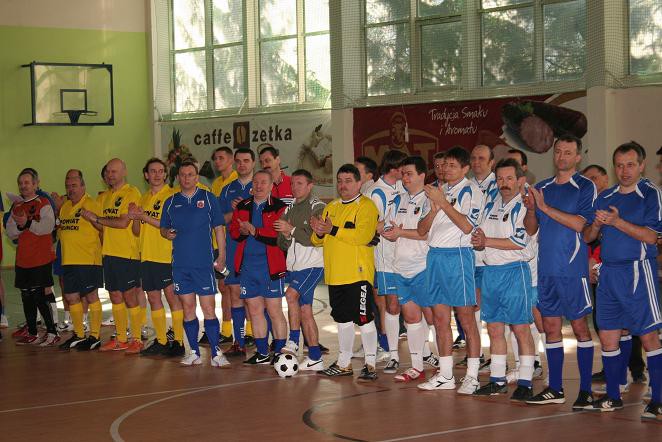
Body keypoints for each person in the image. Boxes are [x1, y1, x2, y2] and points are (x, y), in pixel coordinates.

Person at [582, 141, 662, 418]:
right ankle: (614, 396)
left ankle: (658, 399)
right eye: (619, 165)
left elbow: (651, 237)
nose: (624, 170)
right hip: (609, 274)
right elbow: (588, 237)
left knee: (648, 336)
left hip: (638, 272)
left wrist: (617, 222)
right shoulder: (605, 196)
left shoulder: (649, 194)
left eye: (630, 165)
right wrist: (596, 225)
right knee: (608, 336)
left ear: (641, 165)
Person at [523, 135, 596, 409]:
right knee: (551, 328)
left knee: (579, 328)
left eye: (568, 152)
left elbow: (579, 224)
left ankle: (586, 391)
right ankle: (555, 388)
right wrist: (533, 209)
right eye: (558, 152)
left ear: (578, 157)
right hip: (547, 270)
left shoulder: (585, 186)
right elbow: (531, 228)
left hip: (572, 270)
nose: (562, 157)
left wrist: (544, 207)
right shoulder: (542, 188)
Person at [416, 146, 483, 393]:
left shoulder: (472, 191)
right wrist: (434, 211)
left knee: (466, 319)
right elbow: (421, 230)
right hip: (435, 257)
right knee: (439, 319)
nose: (446, 169)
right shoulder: (437, 191)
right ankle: (445, 375)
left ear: (465, 169)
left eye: (452, 165)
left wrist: (442, 203)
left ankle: (472, 376)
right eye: (444, 165)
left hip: (458, 257)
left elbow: (467, 227)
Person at [470, 159, 536, 401]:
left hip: (514, 271)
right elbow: (480, 234)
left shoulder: (525, 205)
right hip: (491, 272)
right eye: (499, 178)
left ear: (520, 180)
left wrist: (485, 241)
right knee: (494, 328)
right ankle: (497, 380)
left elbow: (519, 241)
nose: (503, 183)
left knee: (520, 328)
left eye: (509, 178)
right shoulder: (491, 204)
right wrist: (479, 241)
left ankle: (526, 382)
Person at [311, 164, 379, 381]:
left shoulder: (366, 206)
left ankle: (370, 364)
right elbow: (318, 240)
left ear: (359, 183)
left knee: (364, 319)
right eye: (340, 181)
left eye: (348, 181)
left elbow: (363, 236)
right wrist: (319, 232)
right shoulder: (331, 206)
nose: (343, 185)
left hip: (358, 274)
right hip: (335, 275)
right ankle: (344, 363)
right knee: (342, 320)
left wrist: (332, 229)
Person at [160, 160, 230, 368]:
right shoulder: (170, 202)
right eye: (183, 175)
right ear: (178, 177)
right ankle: (193, 352)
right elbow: (163, 228)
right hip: (181, 266)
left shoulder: (208, 198)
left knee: (208, 308)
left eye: (190, 174)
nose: (186, 178)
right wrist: (166, 233)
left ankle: (216, 352)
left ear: (197, 177)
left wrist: (222, 255)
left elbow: (219, 228)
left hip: (203, 265)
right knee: (188, 307)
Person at [382, 156, 437, 383]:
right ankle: (417, 367)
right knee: (411, 318)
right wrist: (386, 230)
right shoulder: (398, 200)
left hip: (423, 267)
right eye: (403, 174)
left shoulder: (430, 199)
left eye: (409, 174)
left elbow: (425, 234)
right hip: (400, 267)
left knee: (434, 317)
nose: (404, 178)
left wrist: (400, 232)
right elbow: (389, 227)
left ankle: (444, 365)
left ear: (422, 175)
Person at [81, 158, 143, 353]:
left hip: (127, 254)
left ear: (124, 172)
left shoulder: (131, 193)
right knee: (115, 296)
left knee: (130, 297)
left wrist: (97, 218)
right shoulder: (104, 197)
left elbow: (123, 223)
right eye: (108, 171)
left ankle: (137, 339)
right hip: (108, 253)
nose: (110, 175)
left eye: (114, 171)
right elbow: (102, 226)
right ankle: (121, 339)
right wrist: (92, 219)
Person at [230, 170, 288, 364]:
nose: (259, 186)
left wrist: (254, 231)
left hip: (270, 267)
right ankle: (262, 353)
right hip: (248, 267)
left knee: (274, 310)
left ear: (271, 186)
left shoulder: (279, 207)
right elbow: (234, 232)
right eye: (255, 182)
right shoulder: (243, 206)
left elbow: (277, 237)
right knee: (254, 311)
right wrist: (241, 231)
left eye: (263, 182)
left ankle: (280, 353)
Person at [129, 158, 184, 357]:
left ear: (166, 174)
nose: (157, 174)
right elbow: (136, 231)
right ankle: (161, 340)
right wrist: (134, 217)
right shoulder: (143, 198)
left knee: (172, 298)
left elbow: (169, 225)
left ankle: (178, 342)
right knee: (153, 298)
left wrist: (144, 217)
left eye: (161, 171)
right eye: (153, 171)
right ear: (146, 175)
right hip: (147, 255)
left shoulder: (172, 195)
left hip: (166, 255)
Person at [275, 169, 326, 370]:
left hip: (312, 265)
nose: (294, 187)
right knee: (305, 311)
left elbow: (315, 239)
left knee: (290, 295)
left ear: (310, 185)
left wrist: (292, 230)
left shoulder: (318, 207)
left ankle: (294, 341)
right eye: (292, 183)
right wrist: (287, 236)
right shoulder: (289, 208)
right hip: (295, 267)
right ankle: (315, 358)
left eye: (300, 183)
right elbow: (281, 242)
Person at [5, 168, 58, 345]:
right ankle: (33, 332)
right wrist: (20, 226)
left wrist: (27, 223)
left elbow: (47, 227)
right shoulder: (17, 206)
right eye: (20, 183)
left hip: (40, 258)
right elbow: (10, 232)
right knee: (26, 296)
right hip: (23, 259)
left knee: (39, 296)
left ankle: (52, 333)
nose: (23, 186)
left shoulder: (44, 203)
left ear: (36, 184)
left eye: (27, 182)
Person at [366, 150, 408, 373]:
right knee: (391, 305)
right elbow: (372, 227)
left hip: (409, 255)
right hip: (385, 257)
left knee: (414, 305)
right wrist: (385, 225)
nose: (406, 173)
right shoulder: (375, 192)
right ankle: (392, 354)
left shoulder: (405, 187)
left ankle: (424, 354)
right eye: (403, 169)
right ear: (394, 169)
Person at [56, 170, 104, 350]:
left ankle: (95, 336)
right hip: (68, 260)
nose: (71, 189)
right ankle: (79, 334)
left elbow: (103, 228)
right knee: (71, 297)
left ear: (83, 186)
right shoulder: (65, 207)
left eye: (74, 185)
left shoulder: (92, 204)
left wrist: (93, 219)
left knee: (91, 296)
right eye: (68, 186)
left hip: (88, 260)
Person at [219, 148, 256, 357]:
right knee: (234, 293)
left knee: (255, 296)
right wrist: (235, 212)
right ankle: (238, 342)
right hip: (234, 248)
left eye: (246, 160)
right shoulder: (227, 190)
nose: (242, 164)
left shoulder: (261, 185)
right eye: (239, 161)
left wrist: (247, 208)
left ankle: (259, 338)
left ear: (253, 163)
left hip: (256, 250)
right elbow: (219, 221)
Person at [210, 146, 238, 344]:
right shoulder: (216, 184)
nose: (217, 161)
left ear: (231, 160)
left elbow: (237, 214)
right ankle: (226, 330)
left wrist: (220, 219)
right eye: (215, 158)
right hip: (217, 242)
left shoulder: (237, 181)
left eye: (221, 158)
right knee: (223, 286)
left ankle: (248, 331)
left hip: (233, 243)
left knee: (236, 288)